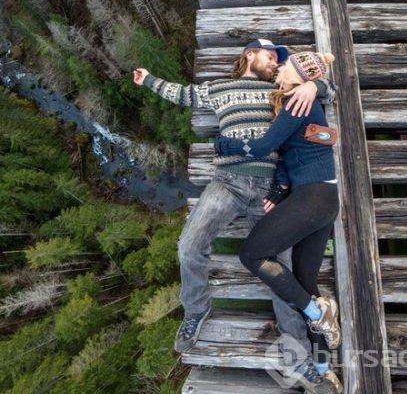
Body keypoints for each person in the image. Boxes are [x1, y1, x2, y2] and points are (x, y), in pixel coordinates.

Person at [132, 39, 337, 362]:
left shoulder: (282, 90)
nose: (273, 64)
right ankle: (196, 311)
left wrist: (315, 85)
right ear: (249, 55)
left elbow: (329, 90)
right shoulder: (219, 88)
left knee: (279, 267)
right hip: (227, 182)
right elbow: (183, 94)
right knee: (188, 245)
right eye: (269, 57)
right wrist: (149, 80)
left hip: (268, 190)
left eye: (277, 61)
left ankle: (299, 345)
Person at [213, 51, 342, 394]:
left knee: (252, 255)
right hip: (324, 198)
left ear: (297, 74)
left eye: (283, 65)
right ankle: (323, 368)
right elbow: (298, 149)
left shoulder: (295, 103)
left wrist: (224, 143)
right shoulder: (302, 100)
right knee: (304, 281)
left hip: (313, 197)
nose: (278, 68)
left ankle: (316, 312)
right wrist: (280, 185)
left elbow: (263, 146)